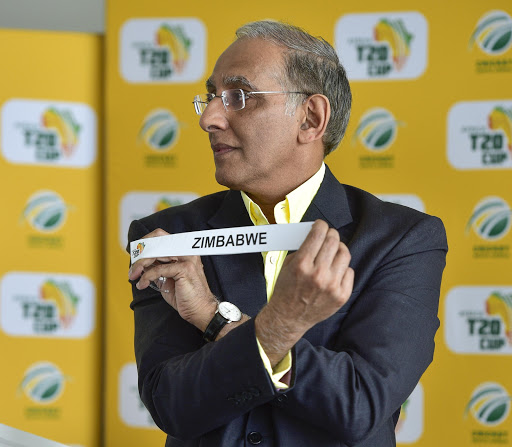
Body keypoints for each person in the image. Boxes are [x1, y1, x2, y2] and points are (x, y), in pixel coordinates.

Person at [128, 20, 447, 447]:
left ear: (310, 118)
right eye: (210, 96)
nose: (209, 118)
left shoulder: (402, 240)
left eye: (238, 96)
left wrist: (214, 317)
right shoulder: (167, 236)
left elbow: (360, 405)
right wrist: (266, 335)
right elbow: (171, 405)